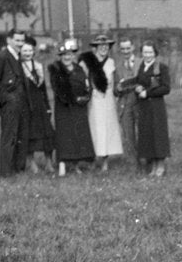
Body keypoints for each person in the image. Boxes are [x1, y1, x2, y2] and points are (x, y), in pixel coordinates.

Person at [48, 40, 95, 177]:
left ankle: (75, 165)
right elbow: (58, 89)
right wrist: (73, 98)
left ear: (73, 55)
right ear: (60, 56)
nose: (67, 57)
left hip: (78, 108)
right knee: (64, 135)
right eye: (63, 55)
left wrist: (86, 97)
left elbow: (87, 86)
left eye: (69, 54)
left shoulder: (79, 69)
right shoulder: (56, 69)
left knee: (77, 134)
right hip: (64, 107)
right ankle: (62, 164)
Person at [78, 34, 123, 171]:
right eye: (100, 46)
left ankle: (105, 162)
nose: (103, 48)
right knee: (95, 129)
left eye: (106, 46)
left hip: (108, 100)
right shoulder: (87, 62)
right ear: (95, 48)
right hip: (95, 100)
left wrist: (119, 89)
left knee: (108, 130)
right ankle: (92, 160)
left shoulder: (111, 63)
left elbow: (116, 83)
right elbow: (81, 79)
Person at [0, 29, 28, 176]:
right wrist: (8, 98)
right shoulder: (1, 56)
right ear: (9, 40)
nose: (20, 44)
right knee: (9, 137)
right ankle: (6, 172)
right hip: (9, 104)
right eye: (17, 40)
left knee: (20, 136)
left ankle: (17, 168)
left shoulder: (18, 57)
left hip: (21, 103)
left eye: (22, 41)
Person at [134, 41, 172, 177]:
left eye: (150, 52)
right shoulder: (141, 67)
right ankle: (153, 166)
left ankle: (160, 166)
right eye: (145, 52)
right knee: (148, 135)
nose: (147, 55)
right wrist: (138, 87)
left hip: (156, 107)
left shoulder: (161, 67)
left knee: (158, 135)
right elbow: (139, 81)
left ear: (155, 53)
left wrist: (148, 93)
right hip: (144, 107)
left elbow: (166, 88)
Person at [20, 36, 55, 174]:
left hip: (39, 103)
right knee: (30, 134)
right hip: (27, 105)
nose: (28, 53)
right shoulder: (19, 67)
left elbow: (43, 89)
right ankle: (32, 163)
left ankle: (48, 162)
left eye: (30, 51)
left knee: (47, 133)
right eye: (25, 51)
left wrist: (47, 106)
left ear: (33, 51)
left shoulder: (39, 66)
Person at [115, 37, 141, 171]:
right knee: (128, 136)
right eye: (123, 49)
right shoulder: (118, 67)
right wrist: (118, 89)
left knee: (142, 133)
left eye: (128, 48)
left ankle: (146, 162)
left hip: (140, 103)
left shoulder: (141, 63)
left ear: (133, 48)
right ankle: (133, 166)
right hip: (125, 104)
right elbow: (115, 89)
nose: (125, 51)